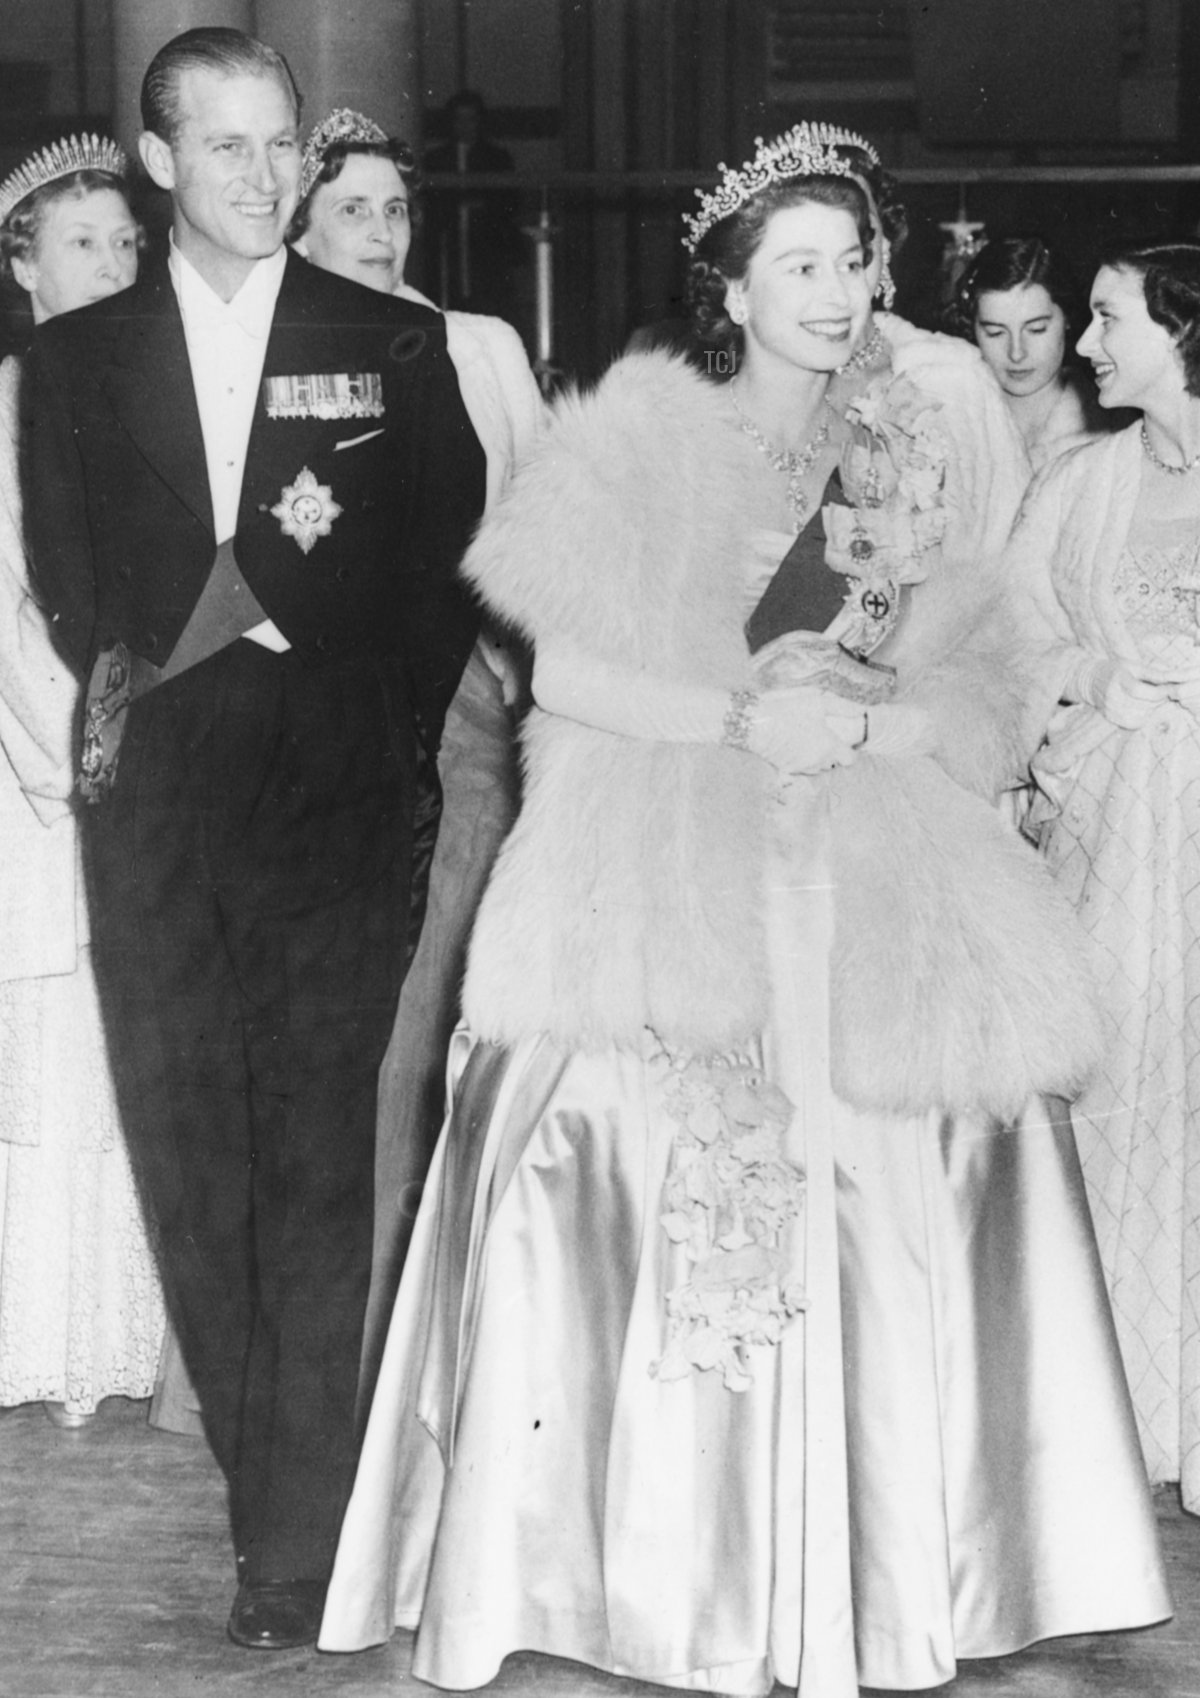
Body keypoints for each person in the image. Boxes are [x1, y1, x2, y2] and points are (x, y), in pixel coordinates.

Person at [319, 130, 1170, 1694]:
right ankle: (659, 1576)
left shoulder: (908, 445)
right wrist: (736, 725)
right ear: (728, 285)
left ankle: (903, 1564)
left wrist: (909, 724)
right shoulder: (639, 434)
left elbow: (979, 660)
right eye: (801, 266)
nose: (839, 294)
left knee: (936, 1156)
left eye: (856, 263)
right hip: (675, 857)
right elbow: (559, 674)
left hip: (873, 867)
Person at [23, 26, 485, 1653]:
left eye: (278, 139)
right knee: (198, 1175)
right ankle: (264, 1469)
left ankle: (293, 1545)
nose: (264, 172)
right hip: (160, 821)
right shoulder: (79, 368)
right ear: (157, 163)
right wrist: (210, 665)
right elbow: (82, 598)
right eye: (223, 144)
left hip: (340, 809)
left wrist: (373, 731)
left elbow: (448, 564)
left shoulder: (392, 343)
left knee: (307, 1170)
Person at [290, 108, 541, 1390]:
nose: (380, 235)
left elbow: (541, 519)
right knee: (354, 1006)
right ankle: (351, 1314)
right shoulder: (273, 357)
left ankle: (444, 1320)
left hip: (472, 705)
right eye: (353, 212)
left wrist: (517, 668)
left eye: (396, 211)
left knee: (459, 985)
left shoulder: (477, 343)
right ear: (302, 224)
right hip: (330, 714)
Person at [995, 238, 1200, 1520]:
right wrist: (1089, 682)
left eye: (1113, 318)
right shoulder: (1079, 482)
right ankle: (1123, 1420)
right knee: (1121, 1107)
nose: (1086, 343)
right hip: (1115, 855)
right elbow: (1004, 633)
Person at [0, 139, 164, 1429]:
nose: (111, 267)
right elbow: (11, 625)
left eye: (126, 243)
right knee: (49, 1056)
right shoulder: (13, 401)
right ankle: (38, 1345)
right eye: (80, 246)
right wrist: (94, 767)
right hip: (48, 780)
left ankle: (114, 1345)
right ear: (22, 268)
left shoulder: (147, 396)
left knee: (125, 1059)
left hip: (145, 770)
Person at [945, 235, 1119, 472]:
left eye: (1036, 329)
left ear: (1067, 318)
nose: (1016, 353)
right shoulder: (948, 421)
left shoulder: (1109, 434)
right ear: (972, 326)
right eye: (995, 332)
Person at [423, 89, 521, 318]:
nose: (465, 125)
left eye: (471, 119)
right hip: (447, 253)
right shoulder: (435, 160)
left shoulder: (497, 159)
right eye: (459, 119)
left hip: (485, 253)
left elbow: (510, 204)